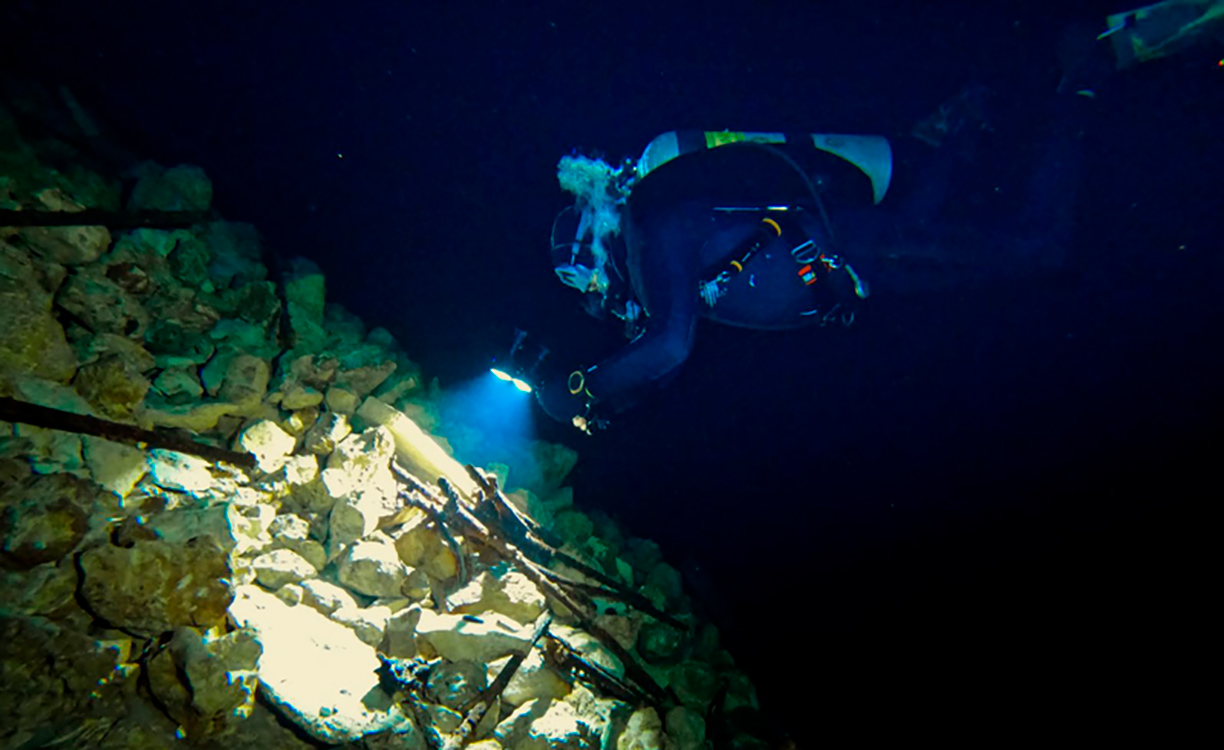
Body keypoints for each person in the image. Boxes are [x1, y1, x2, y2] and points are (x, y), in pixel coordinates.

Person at [532, 0, 1224, 433]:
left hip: (854, 249)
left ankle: (1085, 69)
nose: (593, 293)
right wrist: (606, 401)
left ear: (598, 234)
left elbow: (670, 347)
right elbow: (664, 363)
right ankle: (959, 131)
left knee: (1039, 248)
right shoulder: (662, 266)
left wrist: (579, 389)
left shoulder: (655, 225)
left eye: (581, 275)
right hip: (858, 267)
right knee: (1008, 235)